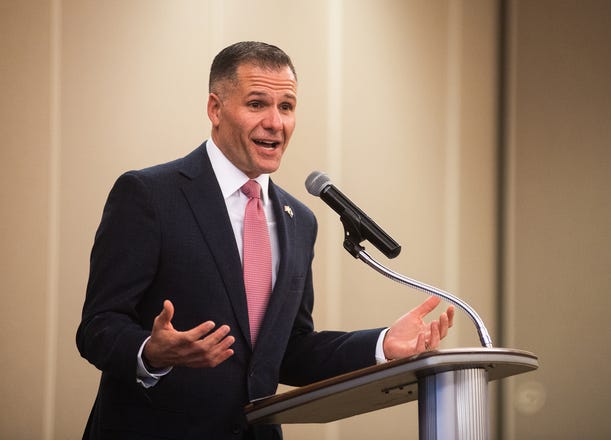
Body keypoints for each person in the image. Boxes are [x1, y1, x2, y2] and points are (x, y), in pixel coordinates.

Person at [76, 41, 455, 440]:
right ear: (215, 109)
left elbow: (288, 350)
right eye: (257, 104)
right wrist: (151, 352)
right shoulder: (149, 195)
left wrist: (381, 346)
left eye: (287, 106)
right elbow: (98, 327)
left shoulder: (299, 221)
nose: (276, 122)